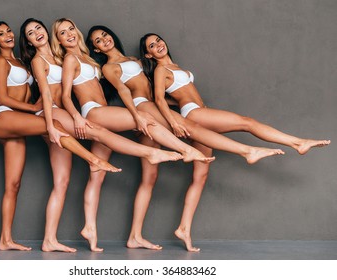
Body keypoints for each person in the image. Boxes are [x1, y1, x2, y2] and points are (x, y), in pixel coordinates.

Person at [86, 26, 287, 252]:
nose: (104, 40)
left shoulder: (135, 60)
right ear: (96, 48)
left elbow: (156, 88)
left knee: (149, 177)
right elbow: (124, 92)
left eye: (105, 35)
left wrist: (176, 105)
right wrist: (138, 118)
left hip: (150, 107)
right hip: (143, 107)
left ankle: (135, 236)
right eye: (98, 40)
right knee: (191, 128)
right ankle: (245, 151)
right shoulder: (109, 67)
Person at [140, 32, 331, 250]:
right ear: (149, 53)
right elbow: (158, 99)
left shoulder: (176, 67)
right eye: (152, 45)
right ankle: (297, 143)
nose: (158, 45)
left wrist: (179, 103)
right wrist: (173, 123)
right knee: (246, 122)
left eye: (158, 40)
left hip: (198, 112)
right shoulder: (161, 70)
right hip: (194, 114)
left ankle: (183, 228)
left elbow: (177, 94)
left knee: (200, 175)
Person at [19, 18, 187, 252]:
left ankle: (58, 237)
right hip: (58, 115)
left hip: (70, 112)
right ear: (27, 40)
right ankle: (153, 152)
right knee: (101, 133)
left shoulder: (61, 58)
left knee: (65, 180)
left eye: (39, 28)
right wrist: (55, 123)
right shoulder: (45, 60)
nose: (37, 32)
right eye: (31, 32)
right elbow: (49, 95)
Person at [51, 18, 216, 252]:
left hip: (103, 111)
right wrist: (77, 117)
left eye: (70, 29)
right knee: (146, 120)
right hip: (93, 112)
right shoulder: (70, 58)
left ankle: (99, 229)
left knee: (97, 173)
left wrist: (177, 100)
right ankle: (185, 149)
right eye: (62, 32)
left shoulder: (87, 58)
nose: (68, 34)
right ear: (58, 40)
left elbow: (131, 87)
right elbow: (67, 95)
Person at [0, 21, 120, 251]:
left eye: (9, 31)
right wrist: (35, 107)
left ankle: (7, 240)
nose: (7, 35)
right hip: (6, 115)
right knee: (55, 125)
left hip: (21, 121)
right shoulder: (0, 62)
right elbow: (3, 98)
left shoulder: (23, 62)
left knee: (14, 184)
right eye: (1, 33)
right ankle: (92, 159)